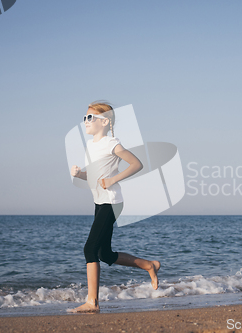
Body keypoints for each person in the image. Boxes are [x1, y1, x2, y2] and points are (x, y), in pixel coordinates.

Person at [69, 101, 161, 313]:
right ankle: (149, 265)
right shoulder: (90, 145)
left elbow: (137, 164)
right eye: (84, 118)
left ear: (104, 121)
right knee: (105, 254)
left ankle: (92, 302)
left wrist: (113, 180)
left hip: (112, 201)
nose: (85, 122)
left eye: (90, 117)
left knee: (89, 249)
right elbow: (94, 176)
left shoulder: (111, 143)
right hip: (99, 201)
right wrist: (79, 174)